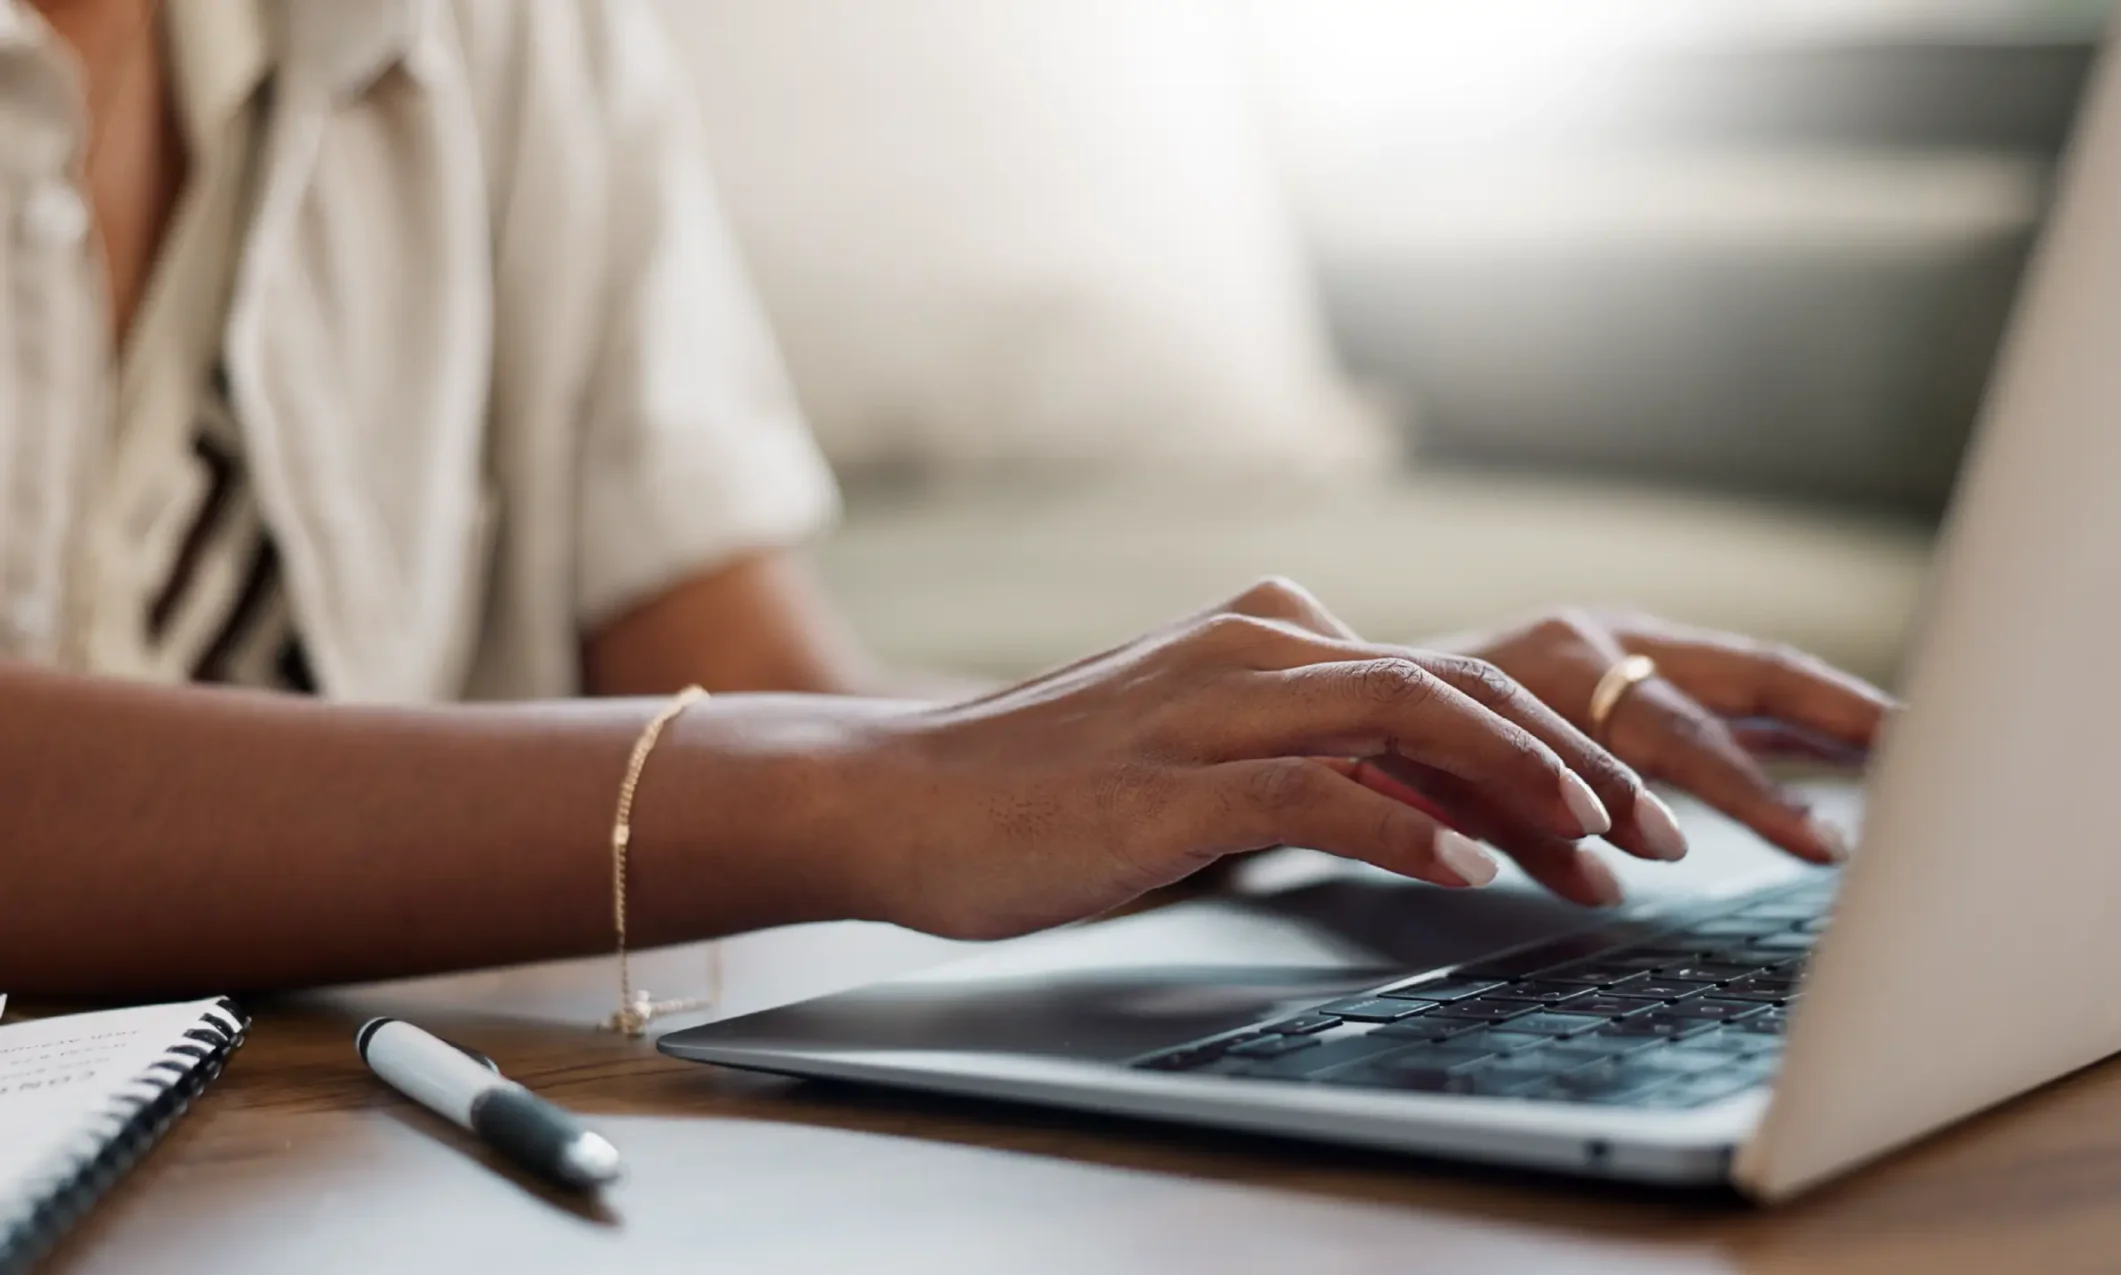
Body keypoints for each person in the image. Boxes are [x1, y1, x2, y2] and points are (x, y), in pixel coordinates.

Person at [0, 0, 1889, 1001]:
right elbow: (804, 778)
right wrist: (862, 798)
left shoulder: (505, 30)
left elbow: (736, 669)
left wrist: (1279, 752)